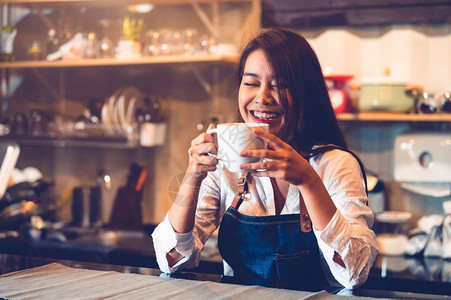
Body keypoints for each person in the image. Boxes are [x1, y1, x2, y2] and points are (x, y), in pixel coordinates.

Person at [152, 27, 378, 290]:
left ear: (307, 94)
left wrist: (308, 181)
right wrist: (193, 177)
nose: (262, 97)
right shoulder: (224, 163)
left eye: (281, 86)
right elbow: (173, 261)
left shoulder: (336, 164)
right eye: (251, 83)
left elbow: (355, 272)